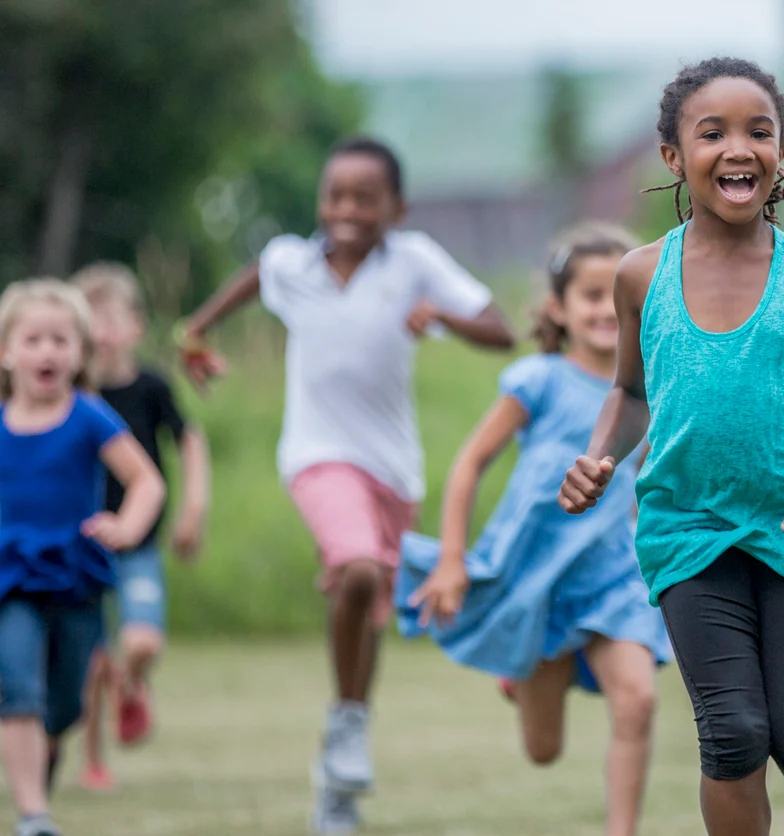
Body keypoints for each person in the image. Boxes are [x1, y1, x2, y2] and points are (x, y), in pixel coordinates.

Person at [558, 57, 784, 836]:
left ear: (780, 149)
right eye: (713, 133)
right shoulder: (641, 277)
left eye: (758, 131)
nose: (738, 148)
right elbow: (632, 392)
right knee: (734, 731)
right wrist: (601, 454)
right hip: (686, 528)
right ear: (674, 157)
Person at [175, 136, 516, 833]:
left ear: (397, 207)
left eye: (365, 198)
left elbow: (500, 331)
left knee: (368, 609)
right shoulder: (291, 263)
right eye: (335, 196)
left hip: (394, 470)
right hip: (316, 455)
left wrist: (441, 317)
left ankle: (340, 765)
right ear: (320, 202)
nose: (347, 210)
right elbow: (249, 279)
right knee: (357, 568)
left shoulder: (415, 260)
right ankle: (347, 724)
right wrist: (197, 335)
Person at [395, 222, 671, 836]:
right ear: (558, 309)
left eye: (617, 296)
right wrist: (451, 559)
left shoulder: (657, 390)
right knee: (543, 750)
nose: (606, 310)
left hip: (615, 577)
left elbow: (663, 477)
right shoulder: (539, 381)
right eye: (590, 296)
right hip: (535, 577)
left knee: (639, 700)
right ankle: (521, 673)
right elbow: (469, 464)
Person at [0, 279, 165, 836]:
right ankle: (33, 815)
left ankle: (43, 755)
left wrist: (127, 524)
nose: (47, 351)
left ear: (80, 352)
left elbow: (146, 482)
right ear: (6, 351)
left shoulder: (89, 417)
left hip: (76, 575)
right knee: (15, 683)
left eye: (60, 340)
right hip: (10, 577)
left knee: (67, 703)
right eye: (33, 340)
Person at [69, 263, 212, 791]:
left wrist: (193, 508)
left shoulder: (152, 386)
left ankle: (132, 685)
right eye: (91, 321)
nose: (101, 332)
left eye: (111, 319)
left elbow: (190, 441)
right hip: (78, 546)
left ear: (136, 326)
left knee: (141, 642)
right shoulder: (68, 394)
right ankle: (93, 760)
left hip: (139, 542)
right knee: (89, 663)